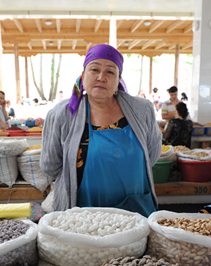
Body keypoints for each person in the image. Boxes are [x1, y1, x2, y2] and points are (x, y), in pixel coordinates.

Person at [40, 43, 161, 217]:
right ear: (83, 76)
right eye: (94, 70)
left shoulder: (142, 110)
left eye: (110, 72)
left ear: (119, 80)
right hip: (83, 211)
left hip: (135, 207)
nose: (101, 77)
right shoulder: (61, 115)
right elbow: (50, 165)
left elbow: (152, 153)